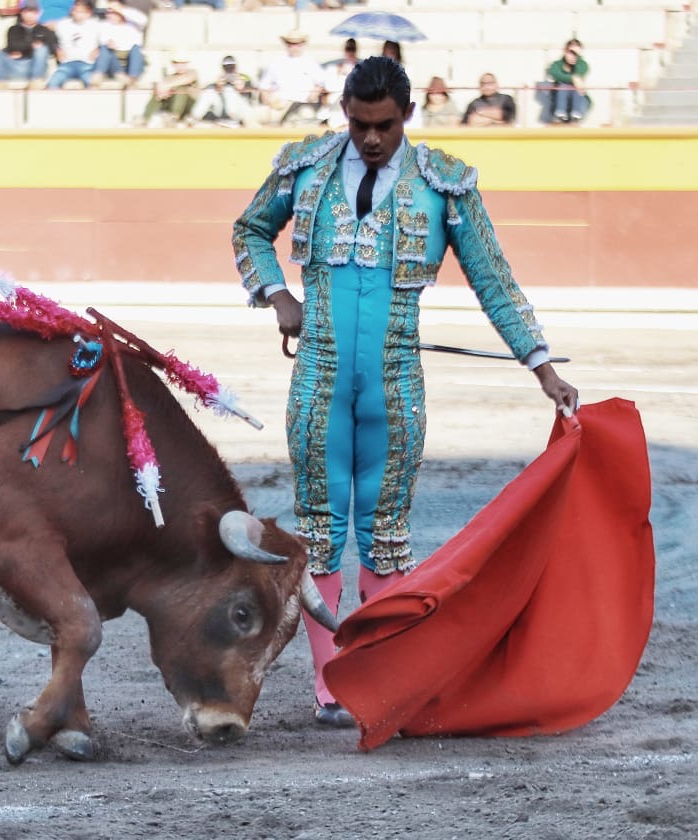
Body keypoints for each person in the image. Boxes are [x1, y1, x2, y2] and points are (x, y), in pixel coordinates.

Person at [231, 56, 578, 728]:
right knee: (322, 534)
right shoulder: (306, 166)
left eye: (384, 125)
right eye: (359, 123)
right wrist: (277, 295)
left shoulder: (443, 186)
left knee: (386, 536)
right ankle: (332, 683)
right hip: (319, 381)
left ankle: (379, 673)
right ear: (344, 111)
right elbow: (249, 230)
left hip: (393, 387)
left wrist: (542, 366)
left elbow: (495, 281)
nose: (370, 138)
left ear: (407, 117)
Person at [256, 29, 327, 127]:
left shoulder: (311, 63)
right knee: (253, 116)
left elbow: (321, 84)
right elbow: (264, 87)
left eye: (297, 44)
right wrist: (269, 102)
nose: (294, 47)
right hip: (280, 104)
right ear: (286, 44)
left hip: (303, 104)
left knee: (307, 116)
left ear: (303, 44)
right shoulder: (276, 62)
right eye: (290, 44)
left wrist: (313, 95)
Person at [0, 1, 57, 85]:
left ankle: (36, 81)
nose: (30, 15)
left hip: (33, 65)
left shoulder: (45, 30)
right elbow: (14, 45)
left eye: (33, 12)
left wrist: (28, 49)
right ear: (22, 13)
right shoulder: (13, 29)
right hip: (14, 65)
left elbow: (51, 49)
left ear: (39, 13)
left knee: (42, 50)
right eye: (27, 11)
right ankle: (1, 82)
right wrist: (32, 46)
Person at [46, 0, 100, 90]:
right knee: (52, 84)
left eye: (81, 12)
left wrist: (99, 49)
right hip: (66, 64)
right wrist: (56, 49)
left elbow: (107, 39)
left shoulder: (96, 25)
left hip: (87, 65)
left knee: (92, 85)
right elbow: (48, 35)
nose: (77, 14)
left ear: (89, 13)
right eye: (75, 11)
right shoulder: (63, 24)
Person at [190, 55, 255, 127]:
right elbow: (207, 90)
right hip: (223, 110)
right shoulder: (221, 78)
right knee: (210, 91)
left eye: (231, 66)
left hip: (242, 110)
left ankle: (232, 120)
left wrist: (240, 88)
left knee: (229, 90)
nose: (229, 69)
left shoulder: (243, 77)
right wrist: (218, 87)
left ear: (235, 66)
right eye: (226, 67)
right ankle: (194, 118)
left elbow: (251, 95)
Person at [91, 3, 145, 87]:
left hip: (129, 63)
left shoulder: (134, 26)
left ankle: (132, 79)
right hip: (113, 64)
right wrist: (109, 44)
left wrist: (119, 9)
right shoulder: (103, 25)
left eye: (113, 12)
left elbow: (143, 19)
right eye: (108, 12)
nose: (109, 14)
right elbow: (103, 40)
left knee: (136, 49)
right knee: (105, 48)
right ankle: (98, 75)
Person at [140, 54, 198, 127]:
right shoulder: (170, 77)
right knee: (158, 95)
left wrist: (168, 85)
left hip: (189, 106)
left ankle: (174, 117)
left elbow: (187, 79)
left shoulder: (192, 72)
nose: (181, 66)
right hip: (172, 103)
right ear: (173, 64)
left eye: (183, 64)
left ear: (187, 64)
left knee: (181, 89)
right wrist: (161, 92)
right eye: (178, 64)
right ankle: (145, 119)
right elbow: (161, 88)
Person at [545, 38, 590, 124]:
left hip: (579, 101)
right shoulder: (556, 65)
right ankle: (560, 114)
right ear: (565, 51)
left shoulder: (582, 64)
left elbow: (579, 75)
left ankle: (575, 115)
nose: (574, 56)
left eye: (577, 54)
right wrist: (573, 78)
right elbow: (555, 74)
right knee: (563, 86)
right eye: (572, 52)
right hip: (559, 102)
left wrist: (575, 79)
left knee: (576, 88)